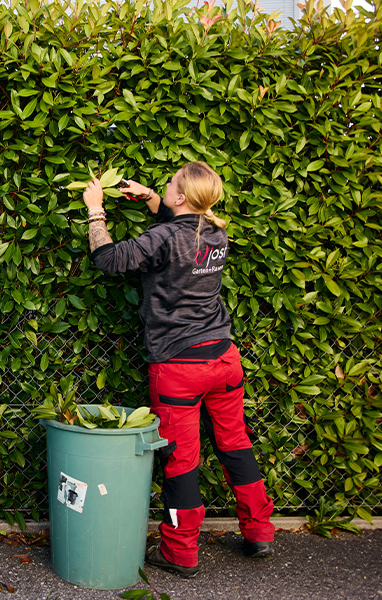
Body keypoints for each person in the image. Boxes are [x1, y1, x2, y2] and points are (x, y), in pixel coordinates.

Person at [80, 162, 275, 578]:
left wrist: (96, 210)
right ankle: (259, 530)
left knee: (180, 461)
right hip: (223, 358)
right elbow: (179, 229)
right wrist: (151, 197)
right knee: (236, 444)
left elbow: (109, 258)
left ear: (183, 197)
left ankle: (180, 552)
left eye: (170, 186)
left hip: (179, 367)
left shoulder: (164, 237)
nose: (165, 188)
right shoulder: (216, 232)